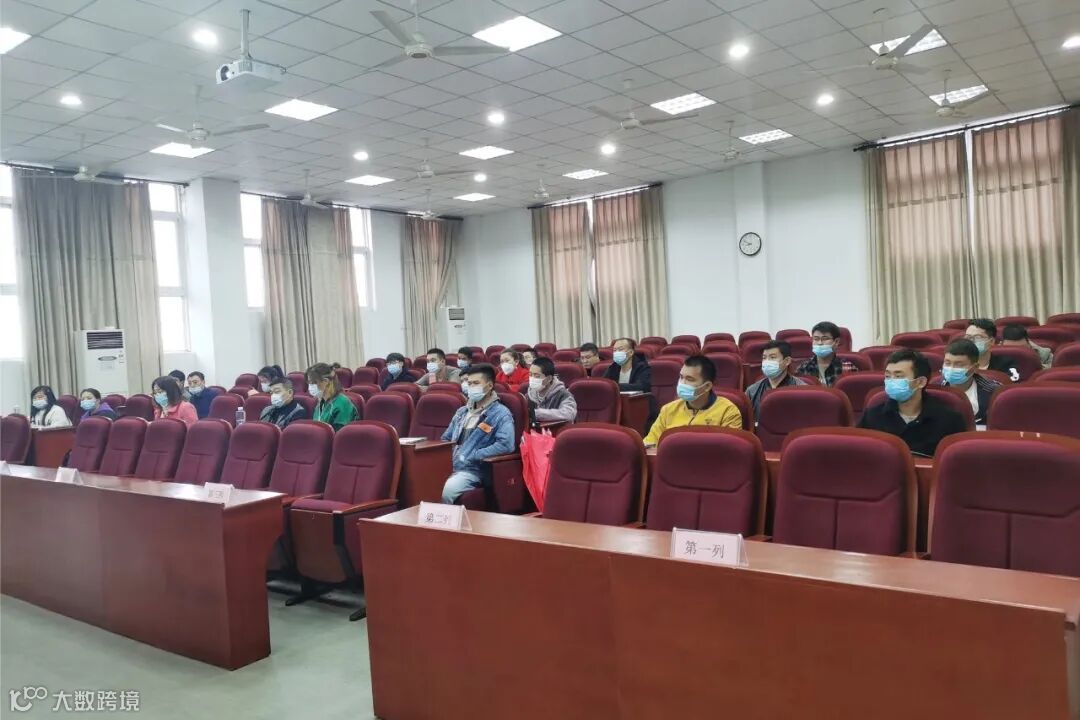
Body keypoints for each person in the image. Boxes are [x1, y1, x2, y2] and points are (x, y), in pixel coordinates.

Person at [858, 349, 967, 456]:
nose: (891, 381)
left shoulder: (950, 420)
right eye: (888, 376)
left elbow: (958, 461)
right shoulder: (872, 416)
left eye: (898, 376)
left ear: (920, 382)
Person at [440, 364, 515, 504]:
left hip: (475, 470)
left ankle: (444, 519)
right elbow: (445, 439)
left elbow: (506, 445)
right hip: (451, 465)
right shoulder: (462, 412)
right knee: (424, 481)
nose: (471, 387)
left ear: (489, 385)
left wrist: (475, 454)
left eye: (476, 383)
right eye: (469, 383)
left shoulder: (501, 413)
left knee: (447, 490)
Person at [644, 356, 742, 446]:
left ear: (707, 386)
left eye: (689, 379)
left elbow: (730, 450)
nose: (682, 383)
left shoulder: (728, 411)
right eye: (681, 377)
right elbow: (650, 445)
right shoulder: (668, 410)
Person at [940, 339, 1001, 425]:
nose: (951, 368)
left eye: (959, 365)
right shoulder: (935, 390)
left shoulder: (993, 392)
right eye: (947, 363)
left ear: (975, 367)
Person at [745, 340, 807, 416]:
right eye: (764, 358)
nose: (767, 362)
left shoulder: (802, 390)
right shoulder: (752, 391)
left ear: (787, 361)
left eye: (772, 357)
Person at [796, 321, 858, 387]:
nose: (819, 343)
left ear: (836, 342)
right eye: (816, 339)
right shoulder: (803, 368)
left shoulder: (847, 367)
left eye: (825, 339)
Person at [307, 362, 357, 432]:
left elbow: (341, 434)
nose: (310, 387)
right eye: (309, 383)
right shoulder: (321, 402)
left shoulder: (342, 404)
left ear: (326, 381)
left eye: (313, 383)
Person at [525, 357, 577, 423]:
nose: (532, 379)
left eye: (537, 376)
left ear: (549, 378)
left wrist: (537, 414)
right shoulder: (529, 395)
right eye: (530, 375)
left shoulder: (563, 394)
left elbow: (569, 414)